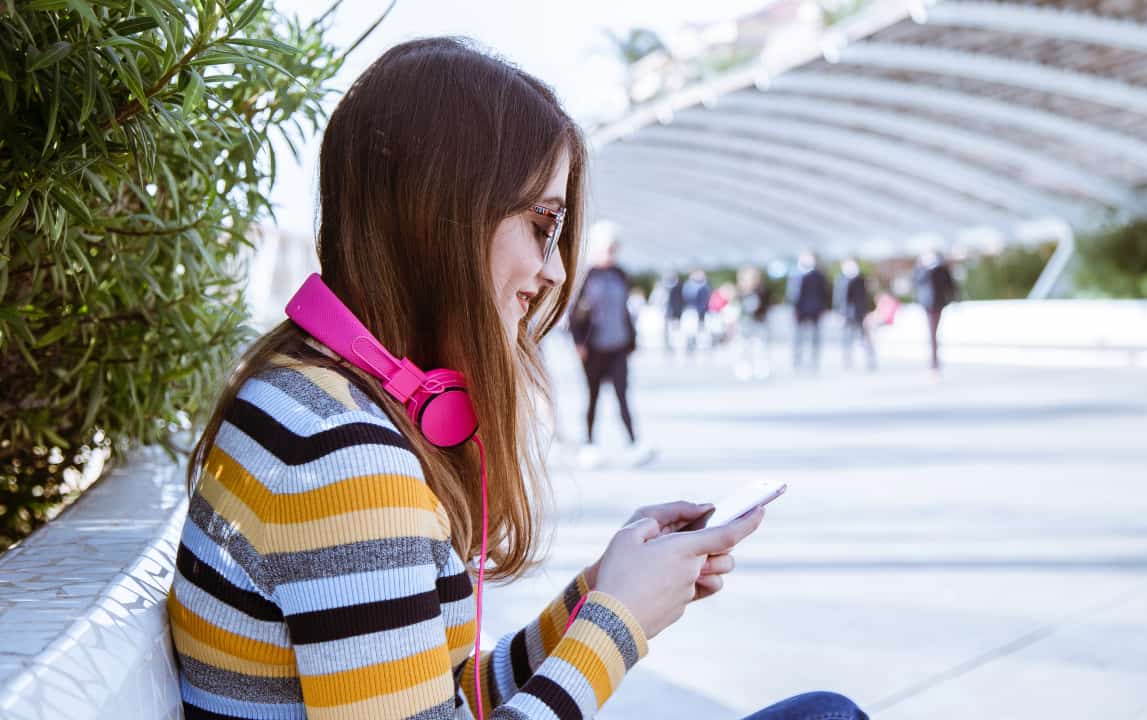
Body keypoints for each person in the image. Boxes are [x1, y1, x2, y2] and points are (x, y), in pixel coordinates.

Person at [165, 38, 865, 720]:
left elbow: (450, 698)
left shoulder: (302, 397)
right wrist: (617, 628)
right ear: (442, 216)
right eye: (542, 224)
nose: (555, 270)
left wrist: (598, 594)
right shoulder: (343, 456)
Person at [569, 223, 654, 468]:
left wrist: (631, 340)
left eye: (614, 249)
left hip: (618, 347)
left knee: (622, 396)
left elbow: (626, 311)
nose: (610, 254)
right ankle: (589, 444)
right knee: (593, 397)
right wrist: (578, 343)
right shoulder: (585, 278)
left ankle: (634, 443)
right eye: (607, 248)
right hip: (593, 349)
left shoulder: (620, 275)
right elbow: (574, 316)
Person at [914, 248, 957, 377]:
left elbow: (950, 285)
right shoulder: (921, 271)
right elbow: (917, 283)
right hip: (927, 305)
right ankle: (934, 362)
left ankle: (934, 362)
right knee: (932, 333)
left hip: (938, 304)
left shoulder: (941, 270)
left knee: (933, 333)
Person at [787, 250, 830, 372]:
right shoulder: (795, 275)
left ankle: (813, 361)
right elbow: (792, 295)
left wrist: (823, 308)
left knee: (815, 337)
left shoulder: (819, 276)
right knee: (798, 337)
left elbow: (825, 293)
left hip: (815, 311)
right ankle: (797, 361)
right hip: (800, 312)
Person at [834, 258, 877, 371]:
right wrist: (839, 313)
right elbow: (838, 298)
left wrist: (869, 312)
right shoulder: (841, 279)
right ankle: (847, 359)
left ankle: (870, 359)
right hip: (846, 314)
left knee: (864, 337)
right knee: (847, 338)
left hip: (860, 313)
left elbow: (868, 297)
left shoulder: (861, 279)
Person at [734, 265, 773, 380]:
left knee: (761, 347)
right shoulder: (740, 292)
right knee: (744, 348)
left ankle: (762, 369)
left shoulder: (762, 291)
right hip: (745, 324)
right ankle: (744, 369)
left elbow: (766, 306)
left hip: (759, 323)